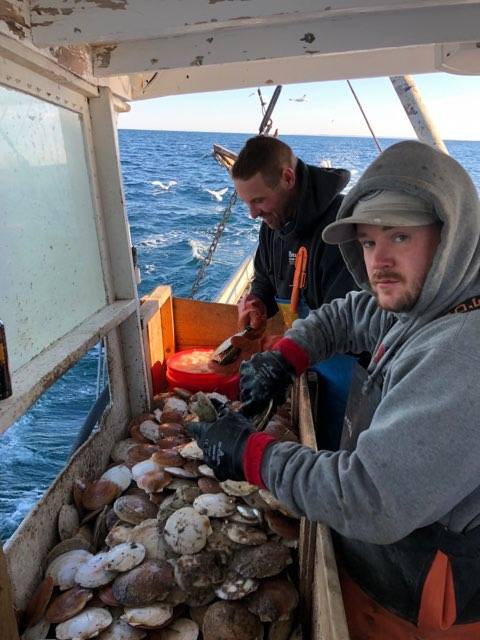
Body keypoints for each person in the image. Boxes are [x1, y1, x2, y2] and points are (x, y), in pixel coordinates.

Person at [189, 140, 480, 639]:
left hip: (426, 602)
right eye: (368, 242)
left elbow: (369, 498)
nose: (379, 261)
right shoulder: (426, 302)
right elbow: (347, 314)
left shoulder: (464, 352)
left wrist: (250, 454)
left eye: (401, 237)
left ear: (453, 236)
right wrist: (286, 358)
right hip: (385, 559)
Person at [231, 135, 360, 448]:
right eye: (247, 203)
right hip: (305, 365)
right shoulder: (272, 226)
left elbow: (346, 324)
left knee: (338, 453)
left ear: (287, 178)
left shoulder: (340, 228)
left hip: (348, 376)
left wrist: (287, 347)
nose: (252, 213)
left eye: (259, 201)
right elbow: (265, 276)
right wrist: (258, 304)